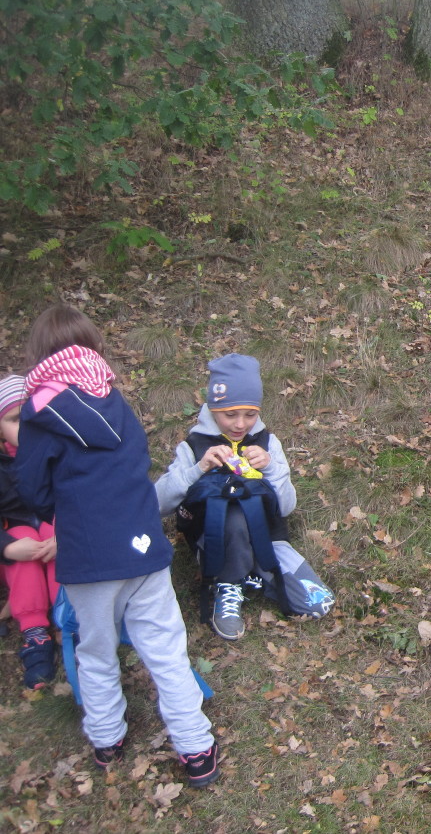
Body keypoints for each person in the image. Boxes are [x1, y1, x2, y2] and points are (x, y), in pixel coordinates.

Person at [14, 305, 218, 786]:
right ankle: (196, 746)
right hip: (143, 543)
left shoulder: (38, 411)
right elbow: (137, 463)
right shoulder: (112, 397)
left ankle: (107, 738)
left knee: (96, 650)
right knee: (166, 649)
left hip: (88, 554)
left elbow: (31, 489)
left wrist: (64, 510)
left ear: (41, 355)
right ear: (93, 347)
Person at [155, 354, 297, 641]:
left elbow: (286, 507)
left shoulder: (267, 442)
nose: (240, 424)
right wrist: (199, 469)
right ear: (212, 408)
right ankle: (229, 583)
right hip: (214, 538)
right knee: (232, 514)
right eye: (230, 415)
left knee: (312, 599)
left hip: (266, 535)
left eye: (250, 414)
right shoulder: (194, 445)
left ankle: (257, 570)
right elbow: (158, 503)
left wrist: (271, 467)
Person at [0, 374, 59, 690]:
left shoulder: (57, 451)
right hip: (15, 536)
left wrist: (65, 535)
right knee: (22, 544)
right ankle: (34, 631)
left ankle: (69, 613)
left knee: (54, 533)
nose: (25, 426)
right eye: (14, 419)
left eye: (30, 416)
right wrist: (8, 547)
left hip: (55, 526)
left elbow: (78, 496)